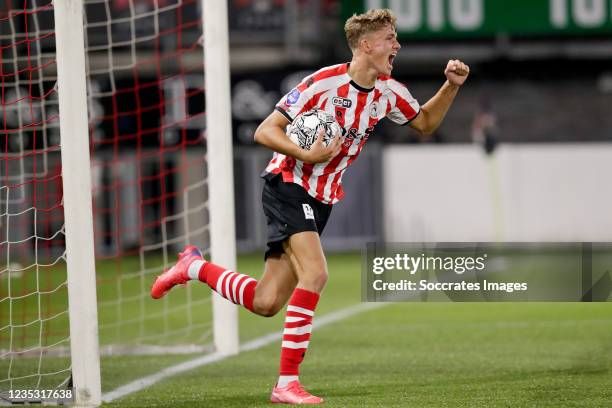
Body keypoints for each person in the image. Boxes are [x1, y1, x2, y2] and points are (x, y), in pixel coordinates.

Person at [151, 8, 469, 404]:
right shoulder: (321, 83)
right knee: (316, 274)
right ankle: (286, 383)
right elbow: (265, 131)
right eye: (390, 38)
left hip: (322, 197)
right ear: (366, 45)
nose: (397, 45)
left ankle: (193, 266)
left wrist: (451, 87)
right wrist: (307, 153)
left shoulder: (389, 92)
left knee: (266, 302)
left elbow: (424, 124)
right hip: (288, 181)